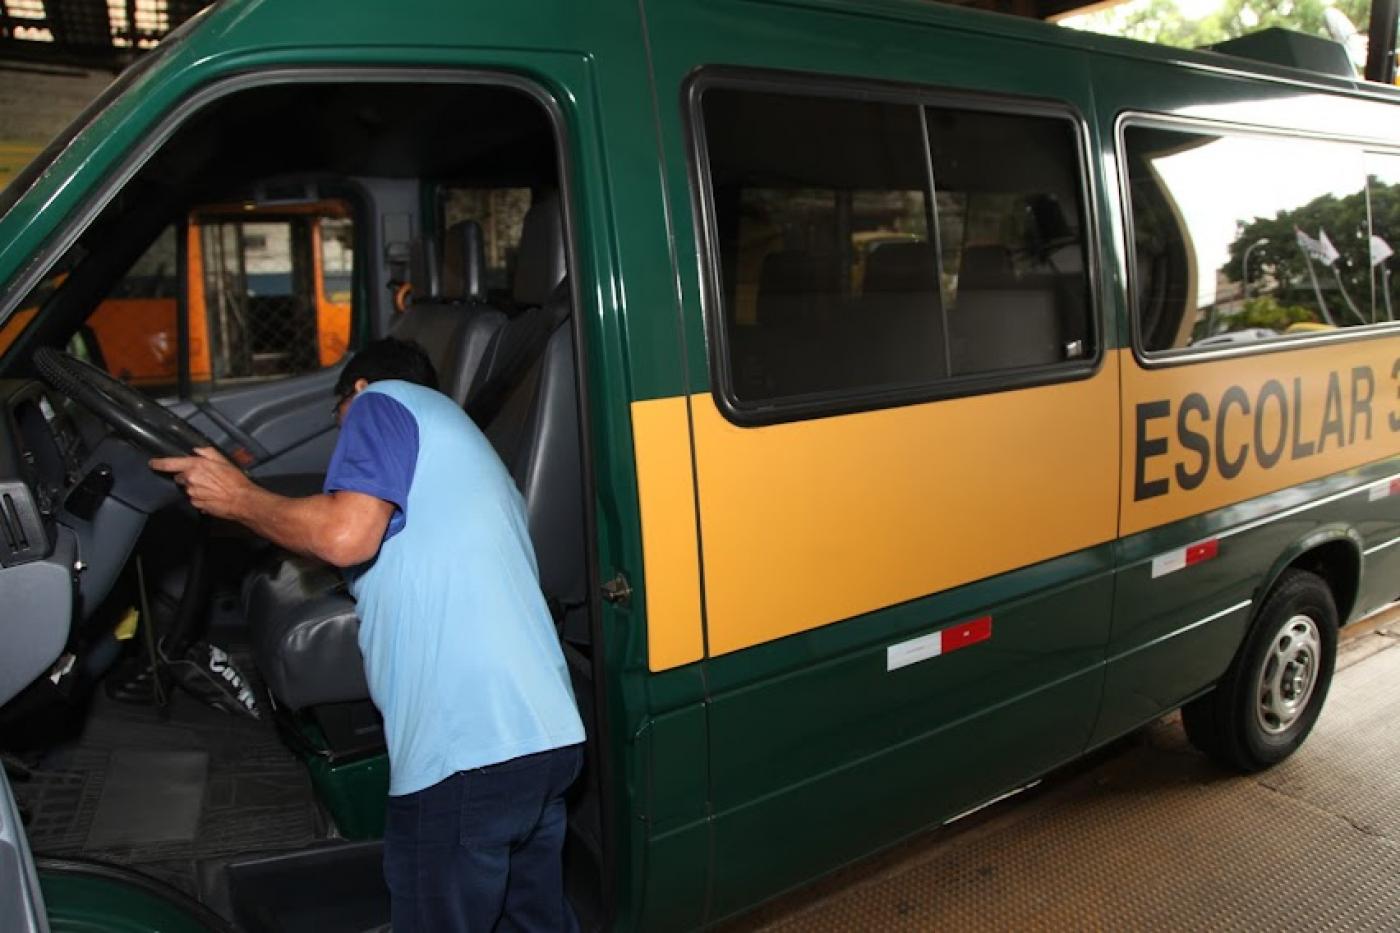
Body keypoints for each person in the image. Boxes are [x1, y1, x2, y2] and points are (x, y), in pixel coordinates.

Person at [150, 337, 585, 932]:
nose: (342, 448)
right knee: (533, 920)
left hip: (465, 751)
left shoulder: (381, 401)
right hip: (542, 738)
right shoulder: (458, 450)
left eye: (337, 424)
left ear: (353, 392)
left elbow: (346, 536)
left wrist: (240, 498)